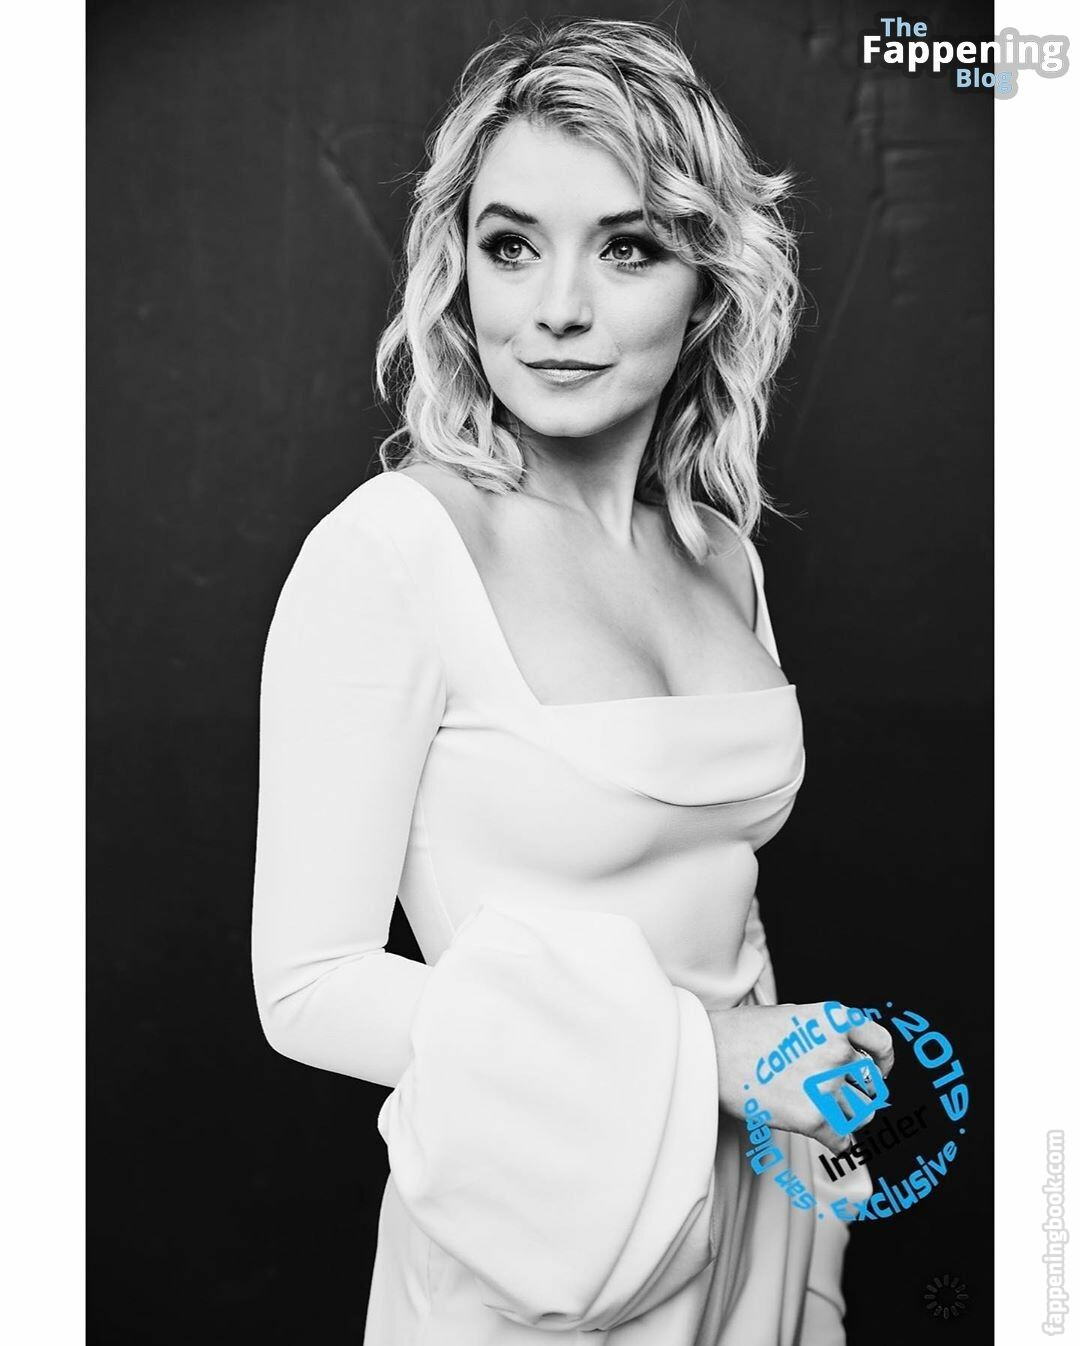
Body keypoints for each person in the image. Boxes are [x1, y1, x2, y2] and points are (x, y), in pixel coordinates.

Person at [250, 17, 893, 1345]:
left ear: (708, 281)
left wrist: (806, 1149)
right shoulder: (392, 552)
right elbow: (307, 986)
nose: (556, 308)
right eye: (511, 245)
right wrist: (708, 1058)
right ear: (459, 269)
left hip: (758, 1208)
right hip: (546, 1248)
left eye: (627, 246)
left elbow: (717, 907)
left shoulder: (719, 552)